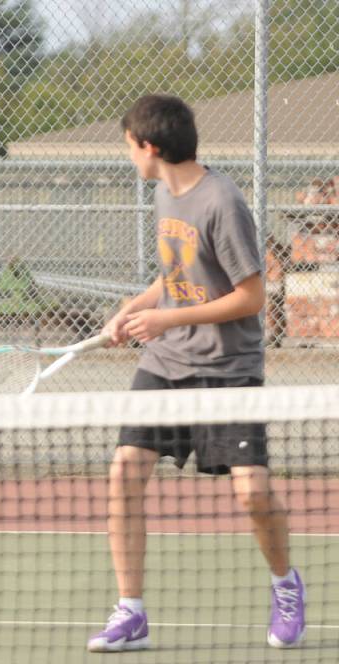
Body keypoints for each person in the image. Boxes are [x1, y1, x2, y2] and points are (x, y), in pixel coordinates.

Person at [87, 94, 306, 652]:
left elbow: (251, 296)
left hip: (228, 369)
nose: (128, 156)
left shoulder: (222, 202)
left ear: (150, 147)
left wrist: (167, 319)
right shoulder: (164, 193)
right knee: (124, 472)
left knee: (252, 492)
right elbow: (177, 273)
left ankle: (285, 584)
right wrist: (134, 310)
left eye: (129, 147)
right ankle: (131, 611)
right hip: (166, 363)